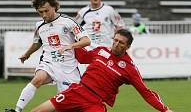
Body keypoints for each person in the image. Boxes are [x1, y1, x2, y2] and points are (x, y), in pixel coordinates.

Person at [30, 29, 173, 112]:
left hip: (95, 103)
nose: (116, 44)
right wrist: (72, 43)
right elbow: (82, 57)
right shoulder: (101, 51)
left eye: (120, 42)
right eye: (115, 40)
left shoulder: (129, 68)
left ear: (127, 46)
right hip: (77, 92)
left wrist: (165, 109)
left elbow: (146, 92)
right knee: (37, 111)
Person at [5, 0, 90, 112]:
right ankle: (17, 110)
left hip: (68, 67)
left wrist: (71, 46)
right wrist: (27, 54)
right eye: (40, 12)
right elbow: (37, 42)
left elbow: (86, 41)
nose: (44, 15)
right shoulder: (39, 26)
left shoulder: (68, 22)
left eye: (46, 11)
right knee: (37, 79)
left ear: (54, 7)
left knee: (66, 105)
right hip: (49, 62)